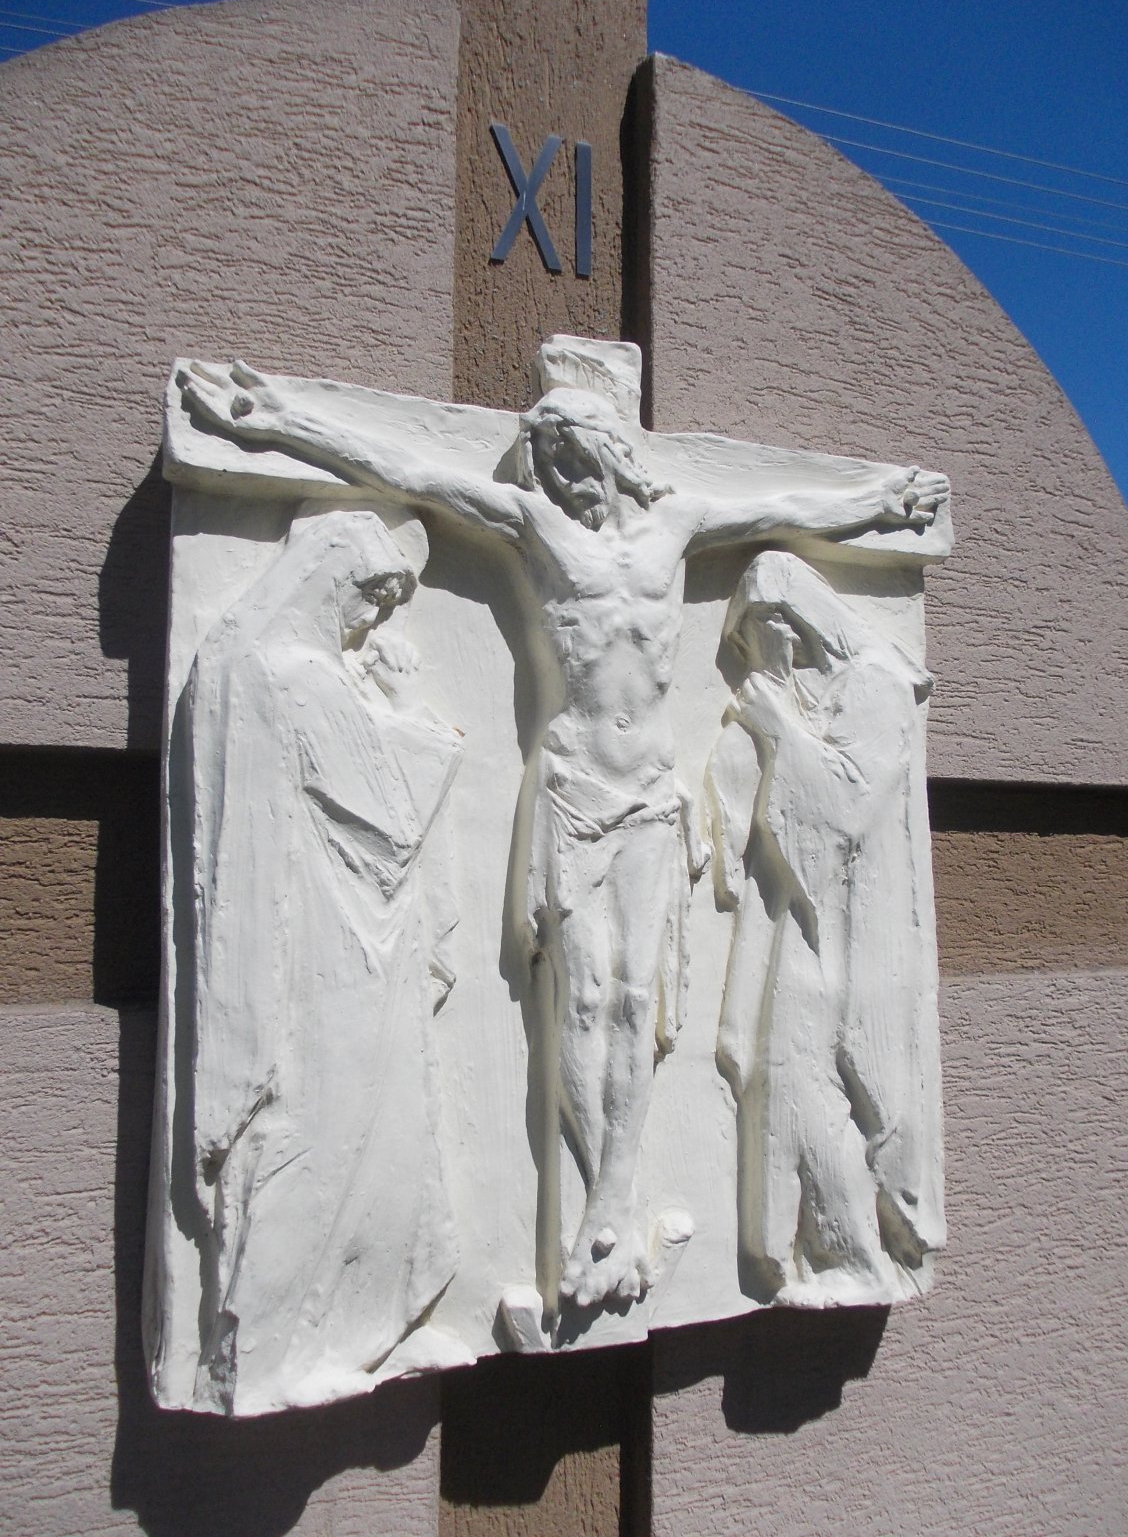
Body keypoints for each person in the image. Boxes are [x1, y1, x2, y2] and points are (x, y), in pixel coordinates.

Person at [177, 358, 949, 1310]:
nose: (564, 484)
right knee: (580, 1000)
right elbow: (412, 471)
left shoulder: (676, 526)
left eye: (575, 463)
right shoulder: (536, 528)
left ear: (614, 456)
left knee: (637, 1000)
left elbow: (786, 507)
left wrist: (881, 504)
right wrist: (278, 417)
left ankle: (614, 1203)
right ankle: (599, 1205)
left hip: (651, 796)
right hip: (576, 788)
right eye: (548, 468)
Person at [166, 507, 467, 1412]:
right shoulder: (296, 675)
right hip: (333, 958)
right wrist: (414, 723)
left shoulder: (248, 660)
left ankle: (356, 1323)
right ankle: (265, 1354)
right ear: (331, 582)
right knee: (324, 1144)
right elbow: (391, 820)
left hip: (345, 947)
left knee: (369, 1144)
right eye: (368, 601)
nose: (370, 623)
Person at [706, 552, 943, 1304]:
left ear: (798, 621)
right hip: (805, 926)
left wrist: (777, 725)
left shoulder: (873, 686)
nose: (759, 654)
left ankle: (855, 1254)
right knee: (781, 1075)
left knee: (816, 1084)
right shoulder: (815, 694)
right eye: (745, 641)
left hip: (856, 935)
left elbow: (845, 809)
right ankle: (807, 1248)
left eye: (762, 632)